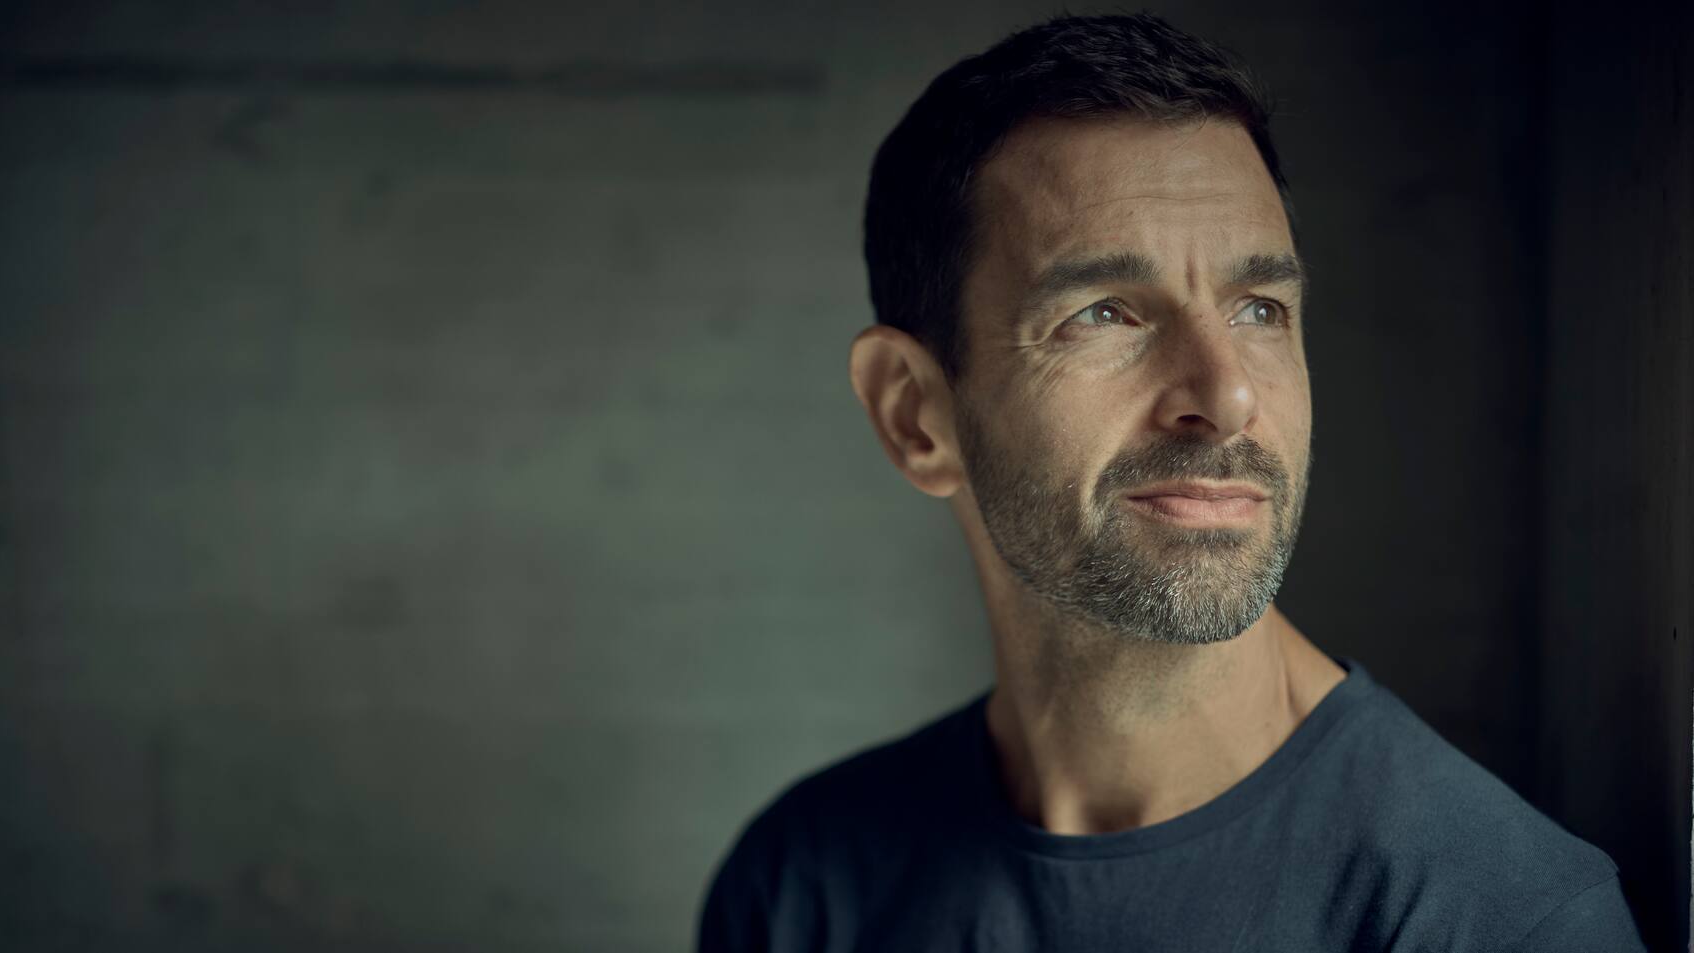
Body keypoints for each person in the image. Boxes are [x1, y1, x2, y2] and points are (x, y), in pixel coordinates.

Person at [696, 13, 1646, 951]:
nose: (1227, 397)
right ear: (914, 414)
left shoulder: (1498, 917)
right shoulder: (800, 888)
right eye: (1104, 312)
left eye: (1259, 308)